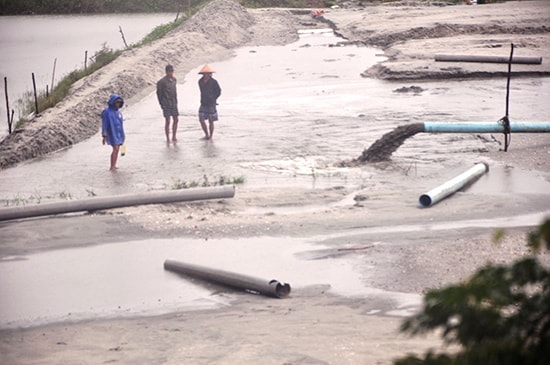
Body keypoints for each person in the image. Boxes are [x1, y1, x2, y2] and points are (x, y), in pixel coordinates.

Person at [101, 94, 125, 171]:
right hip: (111, 132)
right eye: (117, 102)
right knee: (115, 148)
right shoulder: (107, 112)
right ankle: (112, 166)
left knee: (117, 149)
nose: (118, 104)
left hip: (118, 132)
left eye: (120, 102)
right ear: (113, 102)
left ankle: (114, 165)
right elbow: (104, 123)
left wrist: (123, 135)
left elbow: (121, 124)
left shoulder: (118, 112)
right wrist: (104, 135)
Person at [197, 64, 221, 140]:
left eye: (207, 74)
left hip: (211, 103)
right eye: (205, 74)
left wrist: (214, 99)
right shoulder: (200, 81)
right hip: (203, 102)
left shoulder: (214, 82)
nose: (206, 75)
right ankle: (206, 134)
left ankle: (211, 136)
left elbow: (218, 91)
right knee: (201, 118)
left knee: (211, 120)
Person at [156, 64, 179, 143]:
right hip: (166, 103)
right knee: (168, 121)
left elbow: (175, 92)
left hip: (174, 103)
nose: (171, 73)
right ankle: (168, 138)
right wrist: (161, 104)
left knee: (176, 119)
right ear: (166, 72)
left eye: (172, 71)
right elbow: (159, 94)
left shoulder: (174, 80)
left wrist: (176, 102)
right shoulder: (162, 82)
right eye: (169, 71)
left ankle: (174, 136)